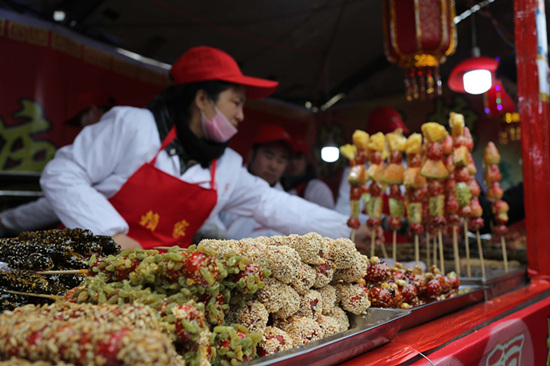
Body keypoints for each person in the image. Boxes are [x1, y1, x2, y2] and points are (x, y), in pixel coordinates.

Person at [38, 46, 369, 250]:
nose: (241, 115)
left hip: (149, 284)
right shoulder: (133, 126)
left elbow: (271, 204)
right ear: (201, 99)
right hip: (83, 263)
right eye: (235, 103)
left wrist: (351, 230)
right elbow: (62, 174)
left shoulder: (224, 165)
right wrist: (110, 235)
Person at [0, 92, 115, 237]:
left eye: (82, 119)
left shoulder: (100, 153)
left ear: (94, 112)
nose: (82, 126)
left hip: (105, 239)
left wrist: (7, 220)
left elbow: (60, 200)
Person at [220, 123, 293, 239]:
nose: (273, 166)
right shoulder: (224, 181)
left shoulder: (286, 203)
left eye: (281, 161)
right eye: (269, 157)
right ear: (252, 154)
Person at [280, 135, 335, 209]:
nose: (293, 162)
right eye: (289, 157)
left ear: (306, 161)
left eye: (298, 157)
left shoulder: (318, 189)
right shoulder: (273, 185)